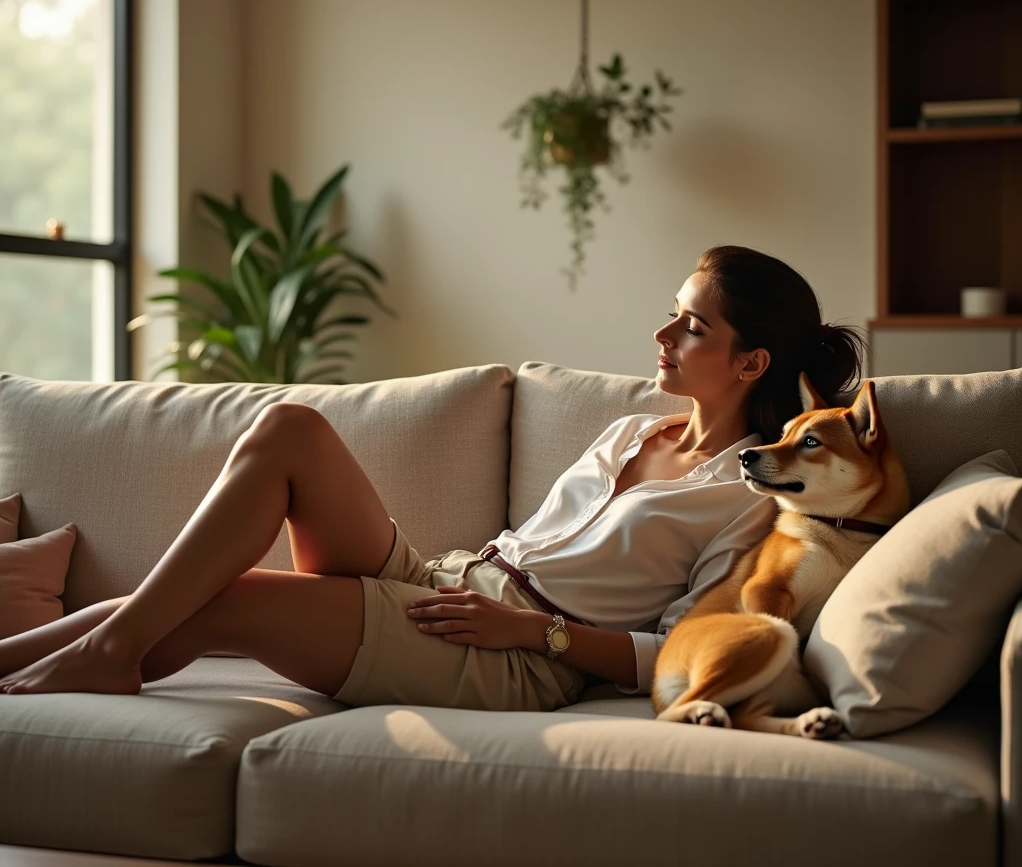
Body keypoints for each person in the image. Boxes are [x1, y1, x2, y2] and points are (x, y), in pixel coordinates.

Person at [0, 245, 865, 711]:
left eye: (690, 326)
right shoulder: (635, 429)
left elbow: (679, 649)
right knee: (291, 429)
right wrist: (468, 589)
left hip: (512, 656)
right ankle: (73, 655)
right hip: (451, 582)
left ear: (750, 361)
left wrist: (531, 636)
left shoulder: (748, 502)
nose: (661, 335)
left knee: (217, 599)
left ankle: (111, 653)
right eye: (672, 315)